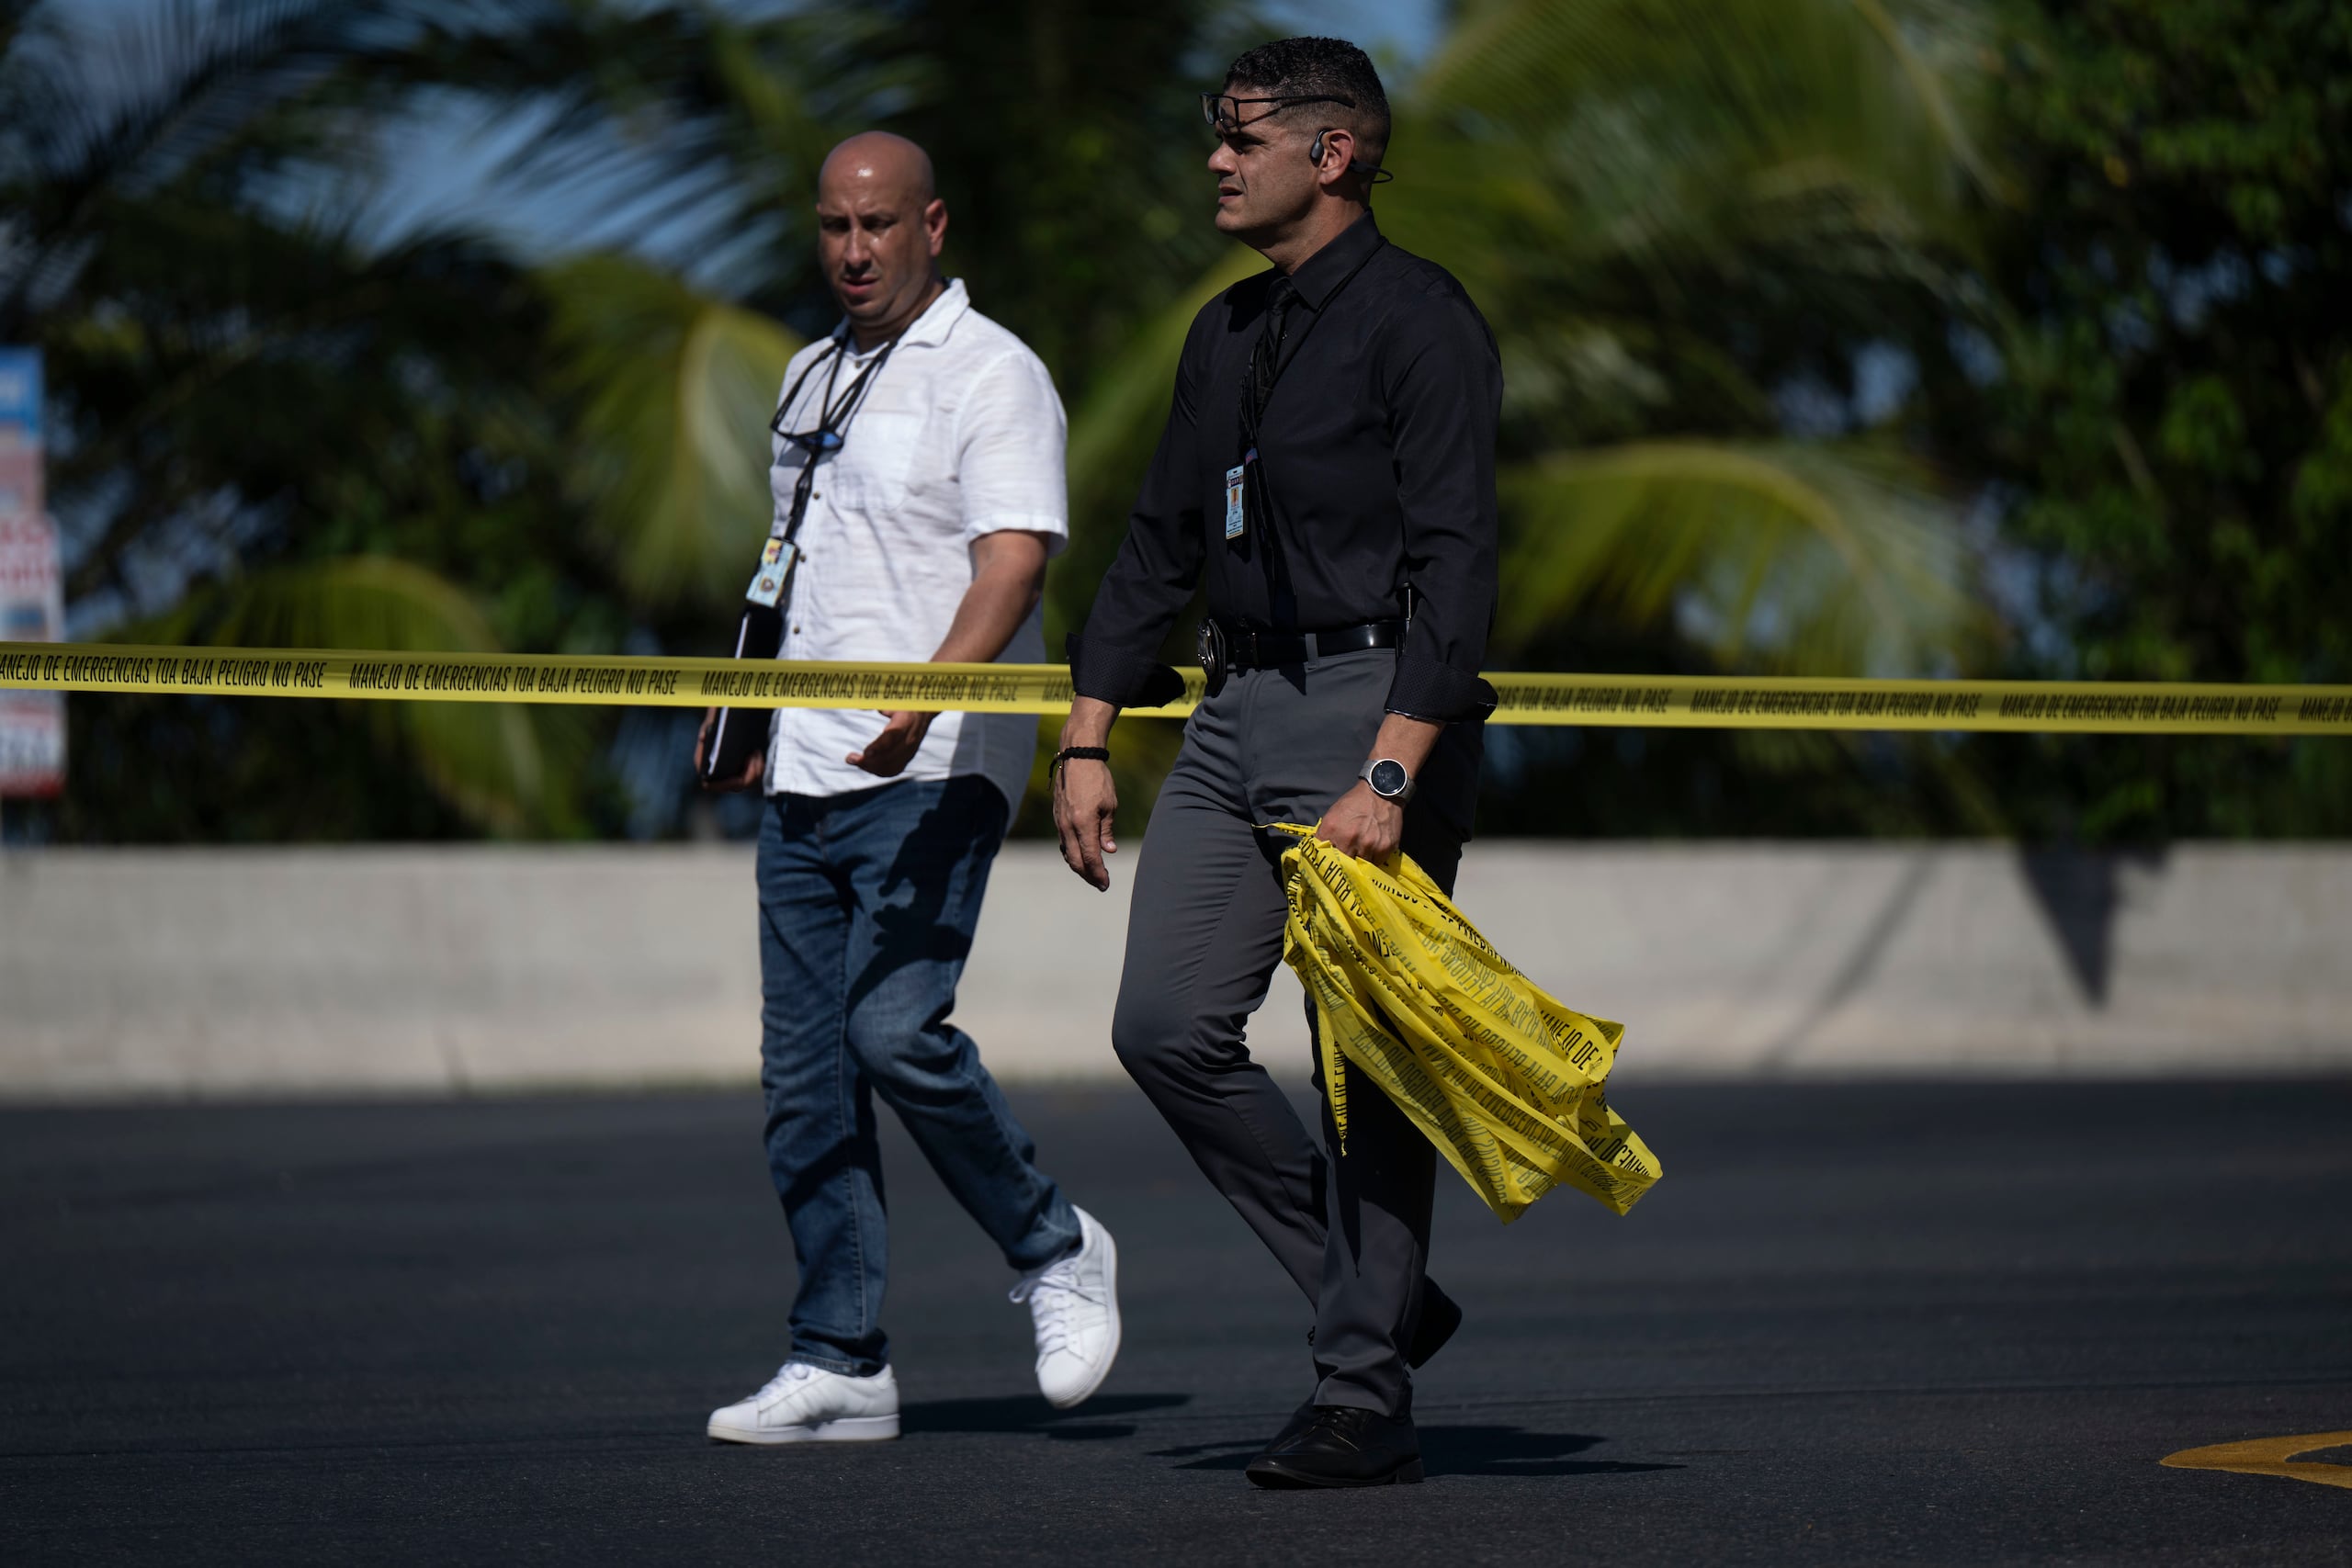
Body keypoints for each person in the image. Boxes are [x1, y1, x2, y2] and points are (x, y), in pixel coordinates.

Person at [1051, 38, 1500, 1488]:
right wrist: (1087, 729)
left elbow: (1460, 566)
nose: (1215, 161)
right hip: (1234, 708)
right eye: (1214, 134)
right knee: (1164, 1024)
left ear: (1335, 152)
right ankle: (1381, 1295)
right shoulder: (1223, 334)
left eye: (1242, 137)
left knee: (1363, 1064)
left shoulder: (1424, 323)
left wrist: (1389, 773)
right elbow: (1157, 548)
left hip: (1372, 712)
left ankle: (1361, 1393)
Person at [699, 131, 1119, 1445]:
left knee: (893, 1032)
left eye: (878, 225)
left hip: (937, 763)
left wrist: (925, 698)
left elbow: (1012, 567)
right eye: (833, 226)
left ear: (932, 224)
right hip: (809, 769)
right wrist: (752, 709)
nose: (854, 251)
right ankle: (842, 1357)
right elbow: (795, 563)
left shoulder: (991, 373)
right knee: (807, 1080)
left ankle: (1056, 1248)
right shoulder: (812, 372)